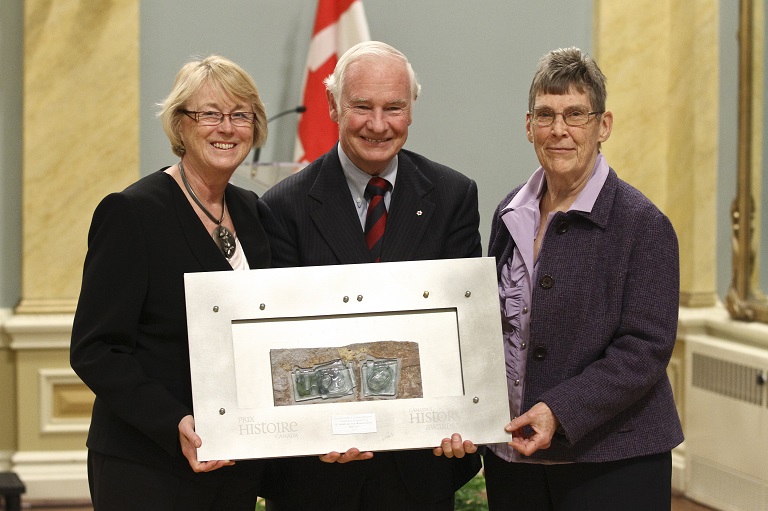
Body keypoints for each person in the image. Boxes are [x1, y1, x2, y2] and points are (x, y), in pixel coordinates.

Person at [259, 41, 482, 510]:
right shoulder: (283, 207)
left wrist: (465, 417)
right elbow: (275, 344)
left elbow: (464, 330)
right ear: (333, 107)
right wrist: (315, 428)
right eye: (362, 106)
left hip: (419, 466)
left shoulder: (453, 196)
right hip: (318, 470)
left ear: (411, 110)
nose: (378, 124)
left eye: (393, 108)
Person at [480, 47, 684, 510]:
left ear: (603, 125)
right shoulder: (510, 212)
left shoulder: (643, 225)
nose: (559, 130)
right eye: (546, 115)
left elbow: (644, 349)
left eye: (575, 114)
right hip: (515, 458)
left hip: (612, 461)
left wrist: (560, 410)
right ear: (528, 125)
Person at [70, 55, 272, 510]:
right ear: (180, 125)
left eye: (241, 115)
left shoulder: (255, 213)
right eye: (209, 114)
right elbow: (96, 348)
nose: (228, 128)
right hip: (146, 463)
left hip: (231, 462)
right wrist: (172, 421)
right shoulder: (131, 213)